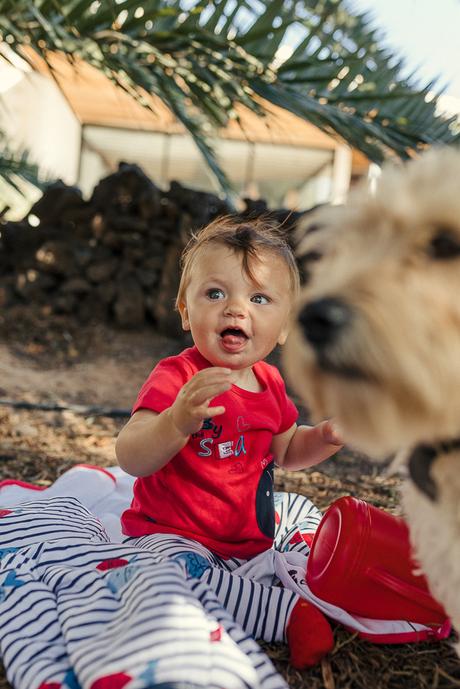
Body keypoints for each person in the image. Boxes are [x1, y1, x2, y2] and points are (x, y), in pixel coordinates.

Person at [116, 216, 343, 668]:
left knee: (300, 554)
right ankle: (283, 615)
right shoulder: (178, 378)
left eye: (259, 298)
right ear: (185, 310)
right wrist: (176, 421)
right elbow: (131, 455)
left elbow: (287, 452)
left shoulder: (270, 383)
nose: (236, 309)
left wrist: (326, 437)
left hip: (246, 545)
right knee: (168, 580)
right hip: (171, 537)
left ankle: (247, 596)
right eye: (215, 293)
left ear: (283, 327)